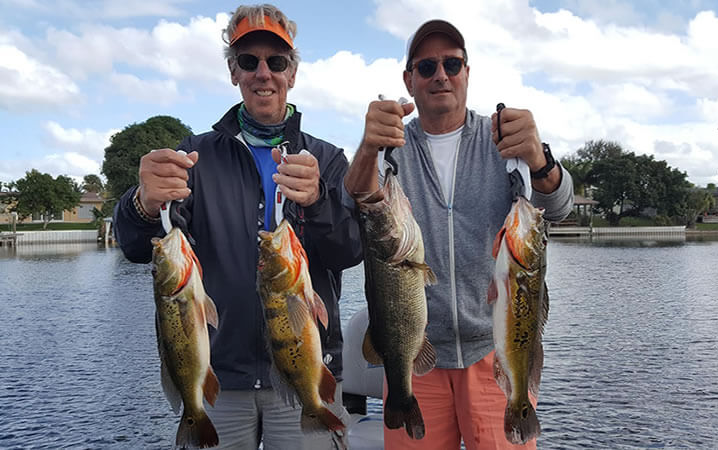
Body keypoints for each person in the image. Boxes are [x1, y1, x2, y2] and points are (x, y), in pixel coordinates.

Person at [113, 4, 361, 449]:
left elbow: (350, 251)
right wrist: (142, 202)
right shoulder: (195, 156)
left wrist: (319, 201)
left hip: (306, 368)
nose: (263, 73)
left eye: (276, 62)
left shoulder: (326, 160)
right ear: (233, 72)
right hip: (219, 375)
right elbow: (137, 245)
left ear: (292, 73)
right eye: (249, 61)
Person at [344, 19, 574, 450]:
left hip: (493, 351)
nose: (441, 75)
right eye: (426, 67)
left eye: (451, 64)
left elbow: (558, 208)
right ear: (409, 80)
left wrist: (540, 161)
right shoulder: (390, 147)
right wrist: (368, 147)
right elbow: (351, 207)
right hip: (415, 356)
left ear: (467, 72)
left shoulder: (503, 140)